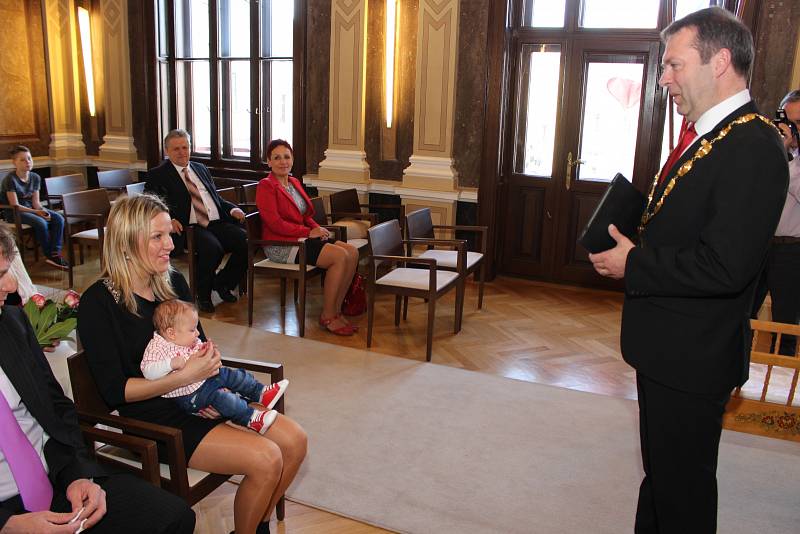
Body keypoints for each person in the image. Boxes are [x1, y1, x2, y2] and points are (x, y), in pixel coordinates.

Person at [588, 8, 788, 533]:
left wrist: (636, 260)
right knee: (663, 477)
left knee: (684, 491)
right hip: (669, 348)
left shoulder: (753, 146)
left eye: (675, 64)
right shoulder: (710, 137)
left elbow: (725, 266)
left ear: (720, 61)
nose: (664, 78)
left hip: (693, 356)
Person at [77, 194, 307, 534]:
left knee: (295, 441)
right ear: (126, 243)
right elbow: (115, 391)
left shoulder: (174, 282)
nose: (170, 244)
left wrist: (212, 385)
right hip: (154, 419)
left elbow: (199, 345)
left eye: (169, 233)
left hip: (202, 393)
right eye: (157, 236)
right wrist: (186, 379)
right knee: (266, 458)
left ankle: (255, 525)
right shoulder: (98, 303)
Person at [0, 225, 195, 533]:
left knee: (174, 517)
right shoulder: (100, 300)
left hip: (54, 477)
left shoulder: (10, 323)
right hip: (5, 507)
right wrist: (6, 525)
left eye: (8, 271)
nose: (12, 285)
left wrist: (79, 474)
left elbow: (57, 407)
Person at [256, 139, 359, 336]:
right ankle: (328, 315)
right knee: (339, 257)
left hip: (300, 239)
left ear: (292, 159)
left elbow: (306, 216)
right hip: (280, 244)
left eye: (286, 157)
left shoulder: (294, 182)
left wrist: (317, 228)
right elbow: (274, 223)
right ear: (268, 162)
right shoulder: (266, 186)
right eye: (276, 158)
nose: (282, 162)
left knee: (351, 252)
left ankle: (337, 310)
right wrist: (307, 232)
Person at [141, 298, 289, 434]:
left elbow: (201, 356)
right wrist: (170, 364)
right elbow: (148, 372)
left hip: (205, 379)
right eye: (192, 330)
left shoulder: (186, 339)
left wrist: (206, 350)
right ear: (171, 333)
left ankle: (261, 393)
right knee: (224, 399)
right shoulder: (157, 347)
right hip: (190, 395)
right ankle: (252, 419)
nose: (197, 333)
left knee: (233, 375)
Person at [145, 129, 248, 313]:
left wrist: (232, 208)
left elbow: (216, 198)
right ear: (167, 151)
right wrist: (170, 219)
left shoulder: (200, 168)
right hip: (187, 227)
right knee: (212, 249)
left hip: (215, 222)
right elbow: (151, 204)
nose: (182, 152)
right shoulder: (158, 174)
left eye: (185, 147)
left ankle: (222, 283)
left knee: (246, 241)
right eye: (176, 149)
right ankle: (203, 293)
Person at [751, 89, 800, 355]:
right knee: (742, 312)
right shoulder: (770, 151)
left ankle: (784, 387)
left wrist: (786, 159)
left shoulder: (787, 159)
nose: (793, 128)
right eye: (789, 121)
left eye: (799, 122)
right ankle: (734, 375)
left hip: (792, 250)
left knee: (786, 321)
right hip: (759, 244)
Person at [1, 146, 68, 270]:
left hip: (31, 209)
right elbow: (15, 205)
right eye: (23, 160)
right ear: (14, 162)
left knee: (59, 218)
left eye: (29, 158)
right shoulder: (10, 179)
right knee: (41, 222)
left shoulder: (35, 177)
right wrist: (37, 212)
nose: (28, 162)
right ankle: (50, 256)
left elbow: (36, 203)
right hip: (14, 213)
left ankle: (55, 253)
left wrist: (42, 210)